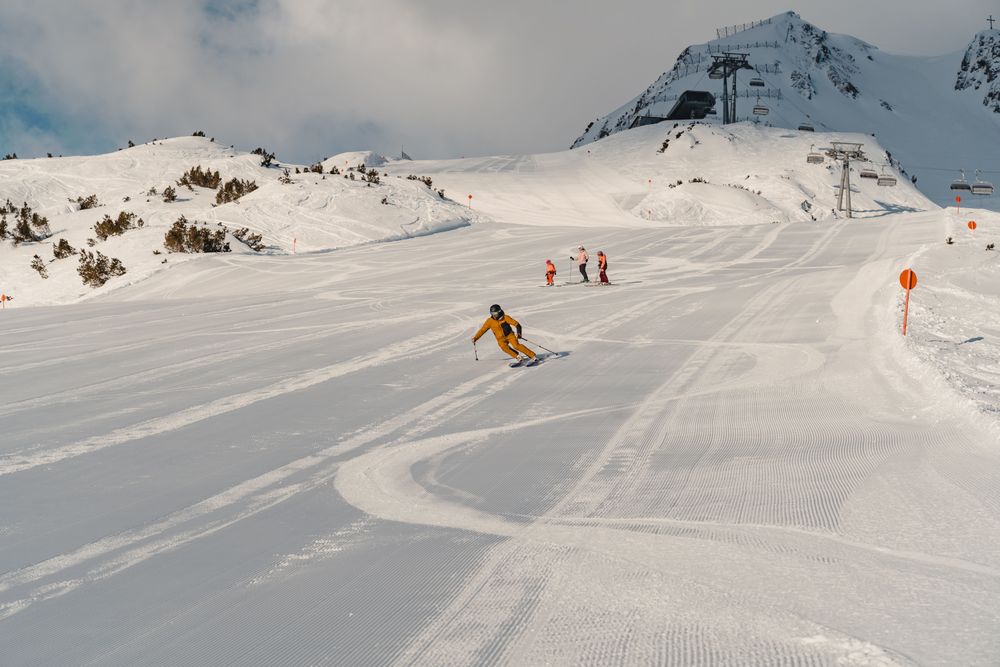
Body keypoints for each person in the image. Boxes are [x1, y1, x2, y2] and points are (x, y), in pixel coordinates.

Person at [472, 304, 536, 362]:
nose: (494, 315)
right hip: (500, 339)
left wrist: (519, 333)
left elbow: (517, 324)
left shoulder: (505, 317)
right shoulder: (489, 321)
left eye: (495, 313)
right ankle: (517, 356)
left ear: (499, 312)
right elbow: (482, 330)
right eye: (492, 313)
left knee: (516, 346)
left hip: (509, 335)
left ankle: (532, 355)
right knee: (504, 347)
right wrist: (476, 338)